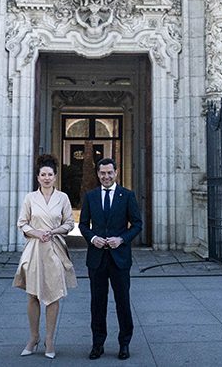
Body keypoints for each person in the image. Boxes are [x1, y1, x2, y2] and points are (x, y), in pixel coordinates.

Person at [12, 154, 76, 359]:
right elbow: (22, 223)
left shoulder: (63, 198)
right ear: (38, 177)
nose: (47, 178)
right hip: (34, 249)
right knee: (32, 295)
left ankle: (49, 339)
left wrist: (54, 231)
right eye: (43, 175)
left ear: (55, 177)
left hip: (55, 249)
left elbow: (69, 223)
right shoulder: (30, 198)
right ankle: (33, 337)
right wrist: (37, 232)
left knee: (54, 294)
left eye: (50, 174)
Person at [79, 157, 143, 361]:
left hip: (119, 259)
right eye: (102, 173)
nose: (106, 176)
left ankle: (124, 343)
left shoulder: (127, 195)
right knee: (97, 303)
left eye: (109, 173)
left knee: (122, 302)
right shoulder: (90, 196)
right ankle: (97, 344)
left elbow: (137, 224)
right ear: (98, 174)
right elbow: (82, 225)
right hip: (97, 259)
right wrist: (94, 238)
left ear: (116, 172)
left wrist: (122, 239)